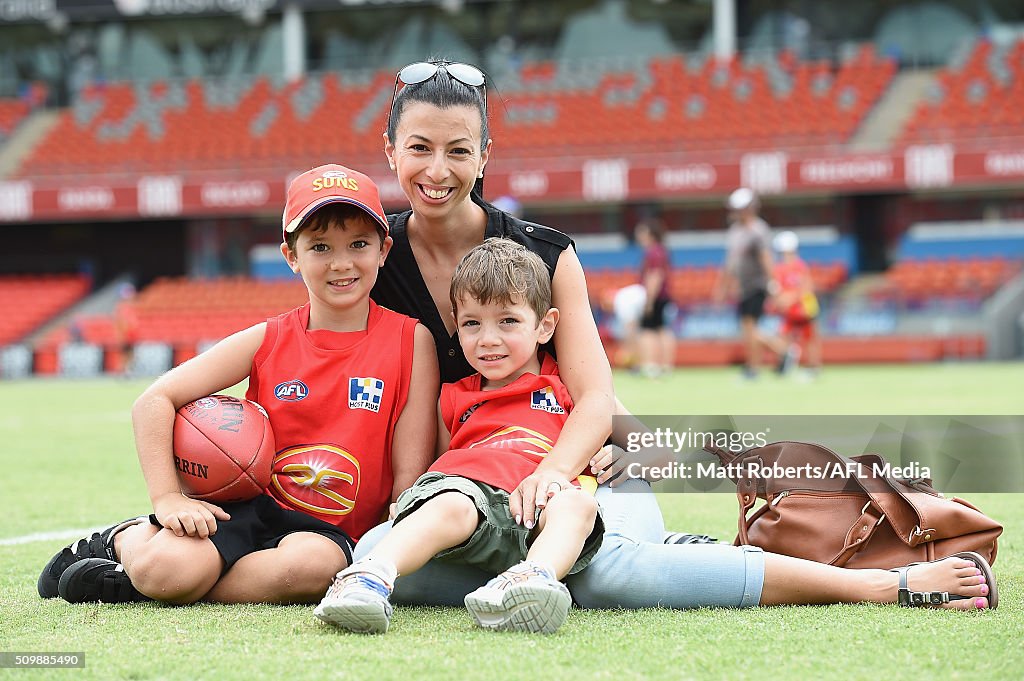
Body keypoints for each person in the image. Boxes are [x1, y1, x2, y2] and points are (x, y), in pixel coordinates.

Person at [358, 60, 996, 614]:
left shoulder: (546, 254)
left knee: (604, 577)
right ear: (391, 151)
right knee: (378, 558)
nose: (438, 169)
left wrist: (559, 472)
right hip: (471, 485)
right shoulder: (373, 258)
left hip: (580, 468)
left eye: (459, 150)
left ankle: (885, 584)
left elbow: (596, 398)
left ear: (485, 155)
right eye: (419, 148)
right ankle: (671, 560)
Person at [39, 164, 439, 606]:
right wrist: (169, 497)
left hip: (329, 534)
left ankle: (137, 587)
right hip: (245, 508)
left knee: (316, 569)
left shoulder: (410, 340)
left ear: (384, 250)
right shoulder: (270, 337)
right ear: (291, 256)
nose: (341, 263)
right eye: (320, 247)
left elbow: (408, 477)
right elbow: (155, 399)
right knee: (166, 569)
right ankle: (125, 539)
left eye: (358, 244)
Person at [314, 239, 602, 634]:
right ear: (456, 323)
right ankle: (367, 578)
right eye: (472, 324)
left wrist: (609, 458)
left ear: (545, 325)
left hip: (533, 502)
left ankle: (531, 580)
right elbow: (441, 459)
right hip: (470, 497)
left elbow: (598, 424)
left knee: (579, 507)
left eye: (508, 322)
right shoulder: (454, 395)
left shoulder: (565, 385)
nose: (487, 339)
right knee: (452, 503)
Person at [715, 187, 776, 379]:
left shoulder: (758, 230)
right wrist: (723, 286)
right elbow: (730, 263)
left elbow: (766, 258)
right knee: (748, 328)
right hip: (742, 287)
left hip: (756, 285)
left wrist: (772, 282)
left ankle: (754, 367)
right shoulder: (735, 231)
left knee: (750, 327)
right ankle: (782, 352)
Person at [769, 230, 822, 377]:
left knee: (810, 337)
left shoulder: (800, 267)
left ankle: (814, 367)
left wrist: (789, 299)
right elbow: (776, 289)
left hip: (805, 307)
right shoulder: (778, 269)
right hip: (788, 310)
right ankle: (784, 364)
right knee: (783, 337)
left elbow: (806, 288)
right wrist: (780, 300)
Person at [634, 220, 676, 378]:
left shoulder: (653, 252)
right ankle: (666, 365)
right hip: (663, 296)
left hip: (656, 297)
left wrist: (649, 301)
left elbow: (655, 276)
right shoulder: (661, 250)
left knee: (648, 331)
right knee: (663, 329)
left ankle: (650, 365)